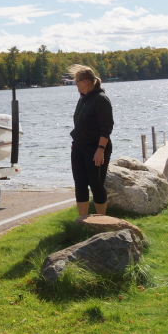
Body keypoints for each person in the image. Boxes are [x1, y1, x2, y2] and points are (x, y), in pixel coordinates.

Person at [69, 64, 114, 219]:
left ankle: (101, 222)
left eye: (76, 82)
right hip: (79, 147)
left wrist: (101, 148)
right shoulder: (83, 99)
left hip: (96, 148)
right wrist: (76, 141)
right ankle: (83, 222)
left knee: (96, 185)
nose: (75, 85)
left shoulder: (101, 99)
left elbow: (106, 126)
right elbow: (80, 123)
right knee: (80, 184)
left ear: (85, 81)